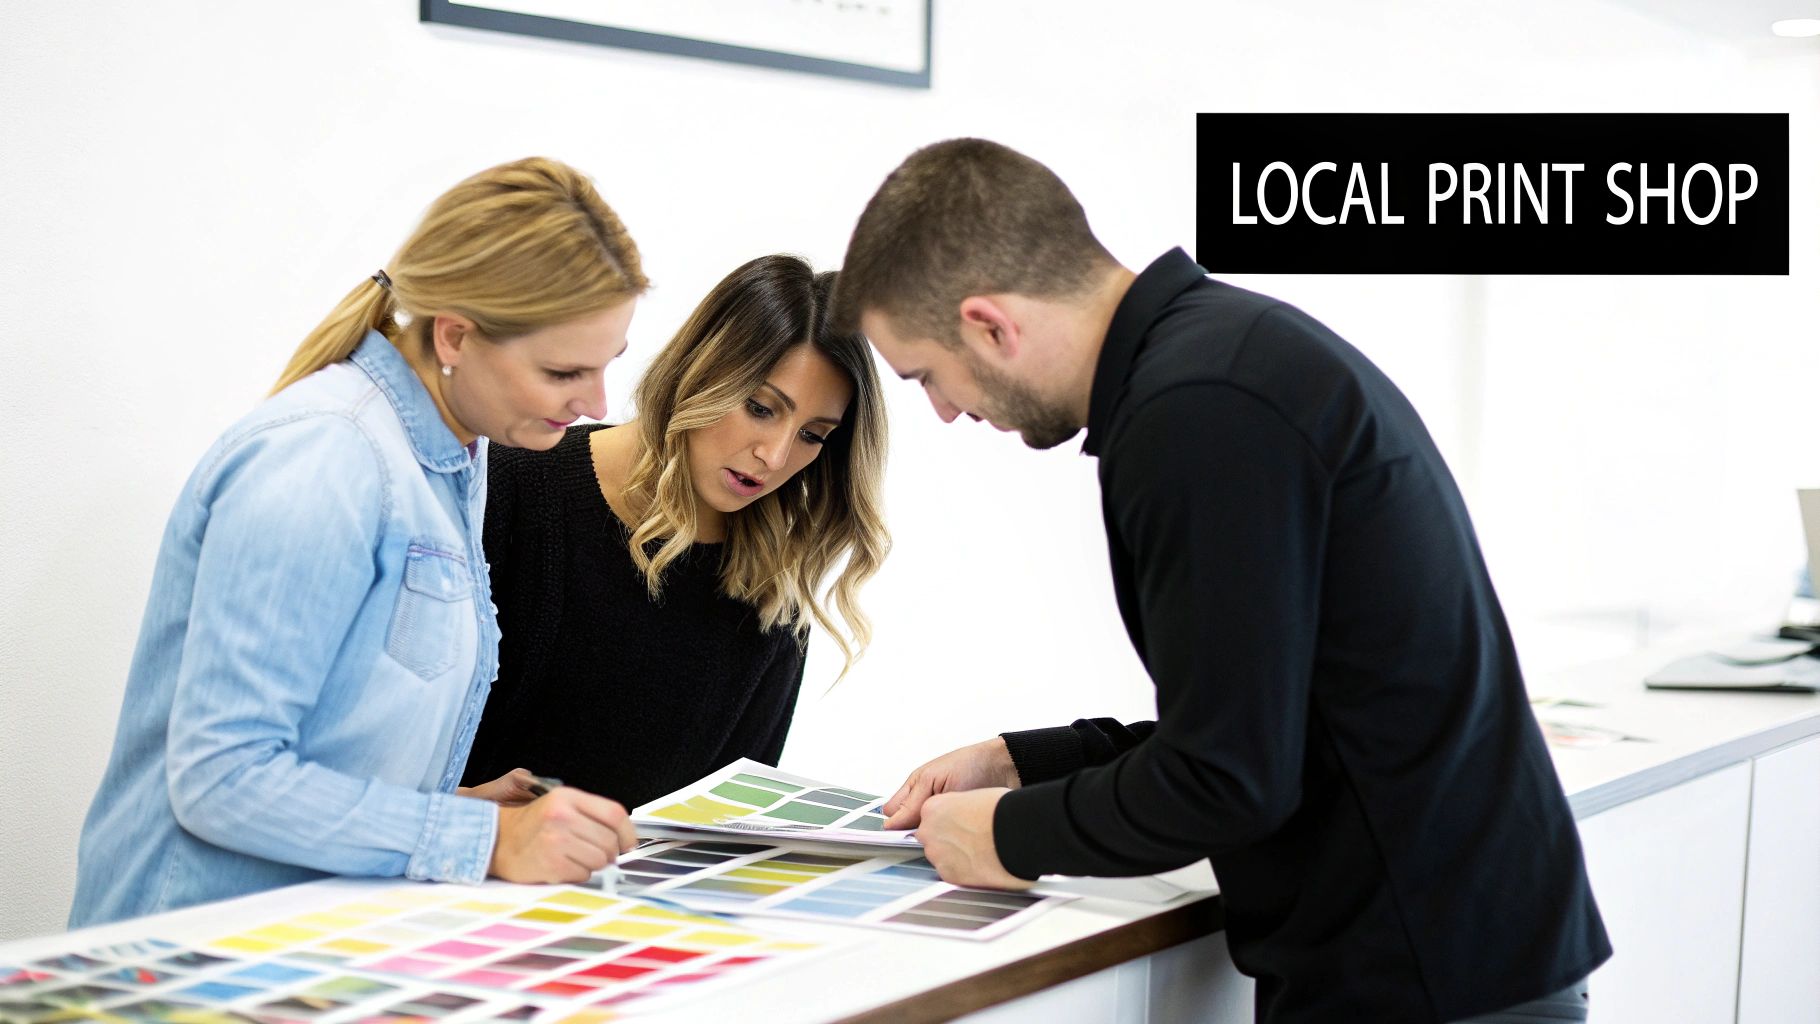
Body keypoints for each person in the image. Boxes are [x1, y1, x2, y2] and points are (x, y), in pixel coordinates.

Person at [832, 139, 1611, 1024]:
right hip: (1457, 951)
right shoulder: (1226, 354)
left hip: (1421, 979)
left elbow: (1228, 777)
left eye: (927, 376)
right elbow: (1266, 724)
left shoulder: (1193, 414)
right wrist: (1023, 760)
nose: (944, 411)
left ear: (990, 324)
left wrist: (1009, 834)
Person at [70, 157, 648, 928]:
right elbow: (222, 778)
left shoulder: (455, 455)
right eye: (562, 372)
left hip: (305, 941)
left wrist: (461, 807)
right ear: (456, 336)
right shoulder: (324, 461)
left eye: (607, 366)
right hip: (186, 955)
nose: (596, 405)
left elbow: (331, 740)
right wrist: (480, 839)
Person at [462, 254, 888, 809]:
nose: (776, 454)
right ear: (703, 369)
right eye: (760, 408)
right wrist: (462, 816)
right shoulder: (512, 484)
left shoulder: (772, 594)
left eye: (813, 434)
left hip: (624, 895)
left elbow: (720, 827)